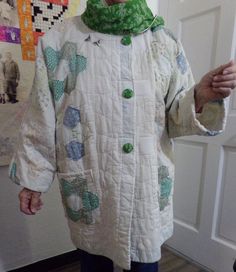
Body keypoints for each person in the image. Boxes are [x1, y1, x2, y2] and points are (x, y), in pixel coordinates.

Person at [8, 0, 236, 271]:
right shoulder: (59, 40)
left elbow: (174, 119)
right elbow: (40, 115)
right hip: (91, 183)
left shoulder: (163, 41)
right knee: (93, 261)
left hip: (145, 186)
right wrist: (34, 179)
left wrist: (200, 96)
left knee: (144, 261)